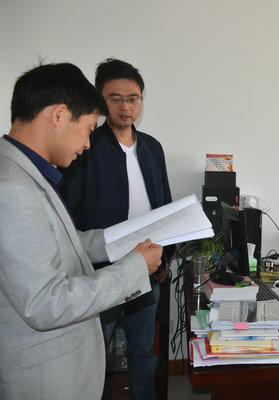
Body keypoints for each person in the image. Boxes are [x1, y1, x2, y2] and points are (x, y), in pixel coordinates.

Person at [0, 63, 163, 400]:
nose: (88, 143)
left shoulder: (27, 173)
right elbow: (46, 302)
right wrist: (134, 266)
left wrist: (128, 241)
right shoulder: (12, 189)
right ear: (60, 115)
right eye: (88, 129)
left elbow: (67, 241)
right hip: (48, 377)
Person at [59, 58, 172, 400]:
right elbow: (69, 211)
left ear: (141, 100)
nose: (126, 107)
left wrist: (164, 260)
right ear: (101, 99)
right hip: (101, 273)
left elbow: (165, 208)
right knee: (94, 352)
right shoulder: (87, 146)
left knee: (144, 351)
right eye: (116, 98)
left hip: (145, 267)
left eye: (133, 98)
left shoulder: (151, 147)